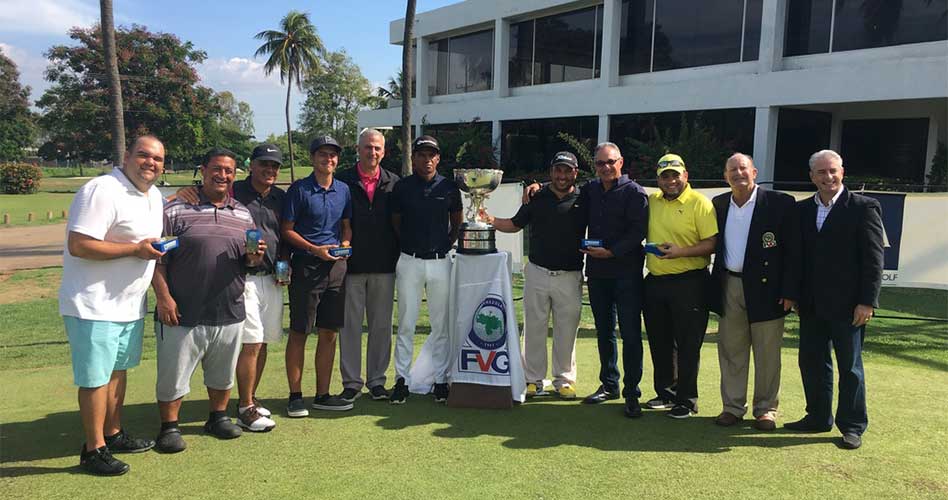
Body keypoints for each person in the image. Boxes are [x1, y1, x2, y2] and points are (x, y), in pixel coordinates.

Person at [59, 135, 165, 476]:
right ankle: (93, 449)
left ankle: (113, 432)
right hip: (93, 304)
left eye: (158, 159)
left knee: (118, 372)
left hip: (128, 304)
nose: (150, 163)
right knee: (95, 379)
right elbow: (79, 244)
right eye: (143, 155)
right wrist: (135, 249)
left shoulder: (155, 196)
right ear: (126, 155)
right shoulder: (102, 189)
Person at [151, 148, 265, 454]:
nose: (223, 175)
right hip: (182, 310)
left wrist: (254, 258)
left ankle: (217, 416)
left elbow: (249, 263)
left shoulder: (242, 213)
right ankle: (170, 427)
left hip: (228, 308)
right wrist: (163, 298)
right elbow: (158, 261)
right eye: (217, 169)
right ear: (203, 170)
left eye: (229, 171)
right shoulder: (175, 209)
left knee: (222, 372)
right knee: (173, 374)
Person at [785, 149, 883, 450]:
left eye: (833, 171)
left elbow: (873, 259)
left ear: (842, 172)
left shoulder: (864, 207)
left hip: (849, 306)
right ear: (812, 176)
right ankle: (817, 417)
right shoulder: (801, 211)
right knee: (812, 362)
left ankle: (852, 425)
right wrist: (792, 294)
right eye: (821, 172)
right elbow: (795, 258)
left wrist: (867, 301)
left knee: (850, 368)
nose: (828, 177)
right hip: (811, 304)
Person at [709, 153, 800, 431]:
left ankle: (766, 410)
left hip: (768, 289)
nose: (738, 174)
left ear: (755, 172)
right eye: (732, 170)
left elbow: (792, 252)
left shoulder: (780, 203)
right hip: (730, 284)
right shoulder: (719, 203)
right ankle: (733, 407)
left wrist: (789, 290)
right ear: (725, 176)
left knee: (767, 352)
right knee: (731, 349)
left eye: (743, 168)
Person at [485, 151, 587, 400]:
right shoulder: (536, 196)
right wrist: (489, 220)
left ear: (575, 173)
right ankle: (533, 380)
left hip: (570, 274)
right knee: (534, 328)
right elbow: (515, 224)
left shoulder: (586, 197)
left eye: (567, 171)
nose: (562, 176)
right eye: (558, 170)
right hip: (538, 272)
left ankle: (564, 380)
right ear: (551, 171)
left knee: (566, 330)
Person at [281, 135, 353, 416]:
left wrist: (344, 245)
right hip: (306, 267)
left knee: (329, 333)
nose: (329, 159)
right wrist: (314, 249)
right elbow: (287, 229)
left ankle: (322, 394)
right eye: (323, 154)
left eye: (333, 155)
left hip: (336, 267)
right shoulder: (299, 190)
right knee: (300, 331)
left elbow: (346, 226)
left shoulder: (343, 190)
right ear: (312, 158)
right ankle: (295, 396)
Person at [576, 143, 649, 418]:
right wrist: (536, 188)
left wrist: (611, 251)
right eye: (599, 163)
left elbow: (638, 231)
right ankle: (609, 384)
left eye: (610, 162)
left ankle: (632, 393)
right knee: (604, 331)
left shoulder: (635, 193)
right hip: (597, 273)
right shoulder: (591, 189)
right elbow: (566, 192)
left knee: (630, 333)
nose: (605, 167)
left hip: (627, 273)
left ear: (621, 162)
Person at [389, 135, 463, 404]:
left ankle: (441, 380)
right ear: (414, 158)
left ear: (438, 158)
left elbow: (456, 221)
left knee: (440, 325)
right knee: (406, 323)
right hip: (409, 261)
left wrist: (446, 243)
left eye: (432, 154)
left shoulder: (449, 187)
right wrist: (411, 244)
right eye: (422, 154)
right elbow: (396, 222)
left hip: (441, 262)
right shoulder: (402, 187)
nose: (427, 159)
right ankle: (401, 380)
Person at [643, 153, 718, 419]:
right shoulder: (651, 201)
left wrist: (681, 252)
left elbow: (712, 243)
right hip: (655, 281)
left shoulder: (700, 203)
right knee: (660, 341)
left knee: (688, 344)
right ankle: (666, 393)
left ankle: (687, 400)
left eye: (676, 175)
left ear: (685, 175)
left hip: (691, 281)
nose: (671, 180)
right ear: (658, 179)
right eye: (666, 176)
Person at [336, 129, 400, 402]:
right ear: (358, 149)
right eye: (367, 147)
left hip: (385, 264)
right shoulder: (342, 181)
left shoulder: (394, 183)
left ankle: (376, 381)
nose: (371, 152)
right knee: (349, 326)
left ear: (383, 152)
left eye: (377, 148)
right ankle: (351, 382)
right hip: (350, 265)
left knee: (381, 326)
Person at [229, 144, 286, 431]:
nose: (270, 170)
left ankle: (249, 397)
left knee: (262, 341)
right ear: (251, 165)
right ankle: (244, 408)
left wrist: (284, 270)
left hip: (272, 278)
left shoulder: (280, 197)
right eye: (264, 164)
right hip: (243, 278)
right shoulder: (234, 192)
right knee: (250, 342)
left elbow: (282, 237)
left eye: (274, 166)